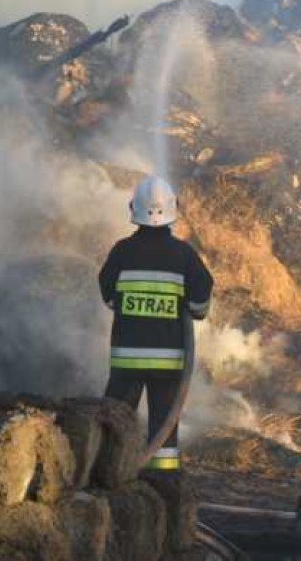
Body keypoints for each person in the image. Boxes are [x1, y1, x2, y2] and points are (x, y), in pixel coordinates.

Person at [99, 175, 213, 473]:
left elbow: (108, 295)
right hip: (168, 362)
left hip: (126, 360)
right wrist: (188, 307)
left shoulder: (122, 250)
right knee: (164, 426)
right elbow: (201, 301)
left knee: (114, 421)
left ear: (132, 208)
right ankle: (162, 481)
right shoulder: (184, 254)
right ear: (174, 209)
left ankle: (106, 473)